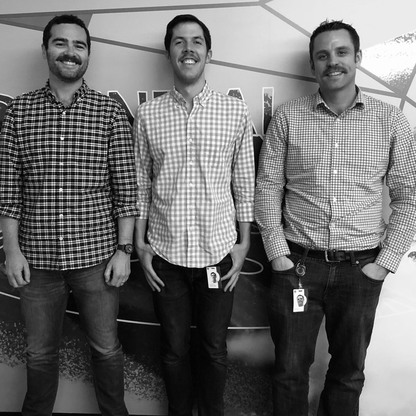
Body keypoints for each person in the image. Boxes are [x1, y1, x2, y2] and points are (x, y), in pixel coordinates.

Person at [255, 19, 416, 416]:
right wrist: (277, 254)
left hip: (361, 270)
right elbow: (267, 187)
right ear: (313, 64)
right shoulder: (288, 117)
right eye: (323, 55)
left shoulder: (390, 120)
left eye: (341, 52)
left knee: (348, 373)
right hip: (297, 266)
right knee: (289, 372)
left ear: (357, 57)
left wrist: (384, 263)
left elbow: (409, 198)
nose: (333, 62)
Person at [0, 14, 138, 416]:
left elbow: (125, 191)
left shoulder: (109, 113)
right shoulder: (19, 112)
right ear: (45, 49)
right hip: (36, 261)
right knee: (40, 353)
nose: (70, 52)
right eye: (60, 43)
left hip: (97, 259)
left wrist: (123, 251)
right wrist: (12, 250)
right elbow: (8, 191)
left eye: (79, 45)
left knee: (107, 349)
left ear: (88, 54)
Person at [133, 14, 255, 416]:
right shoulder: (148, 115)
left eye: (197, 41)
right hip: (164, 256)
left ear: (209, 53)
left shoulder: (234, 112)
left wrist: (243, 243)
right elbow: (141, 184)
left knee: (214, 348)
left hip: (218, 253)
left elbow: (244, 183)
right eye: (179, 41)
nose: (189, 49)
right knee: (173, 349)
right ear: (169, 52)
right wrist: (140, 243)